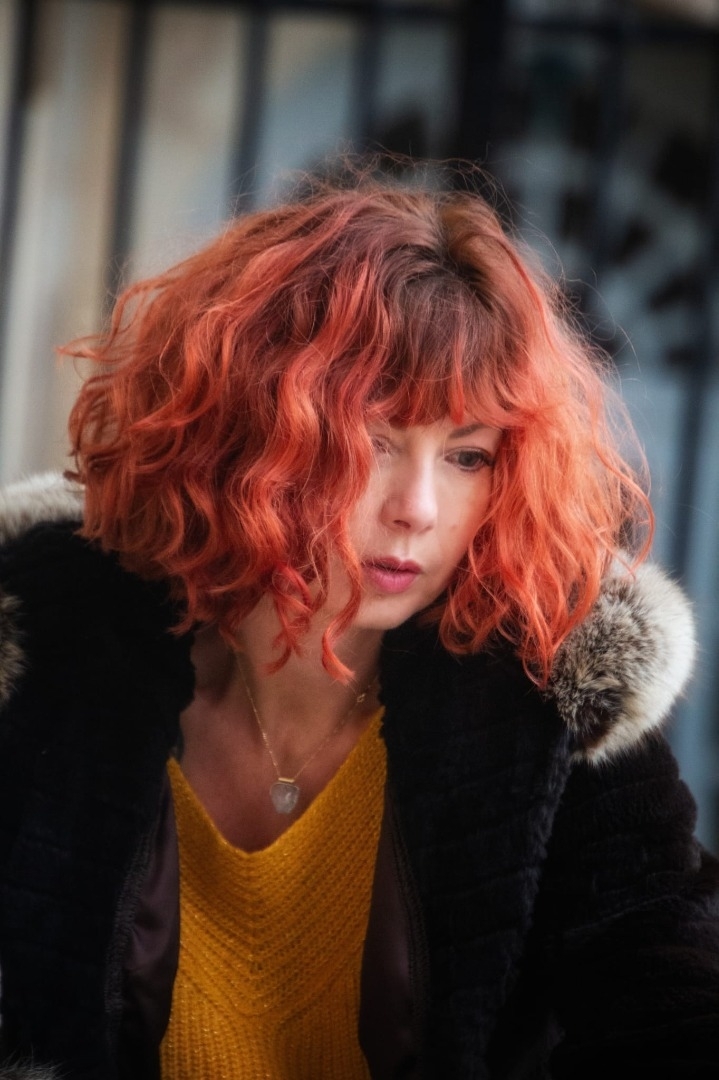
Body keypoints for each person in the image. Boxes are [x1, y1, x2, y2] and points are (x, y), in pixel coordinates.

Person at [0, 162, 717, 1080]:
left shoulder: (549, 691)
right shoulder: (41, 649)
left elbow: (667, 990)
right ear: (236, 433)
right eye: (373, 442)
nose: (417, 508)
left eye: (466, 456)